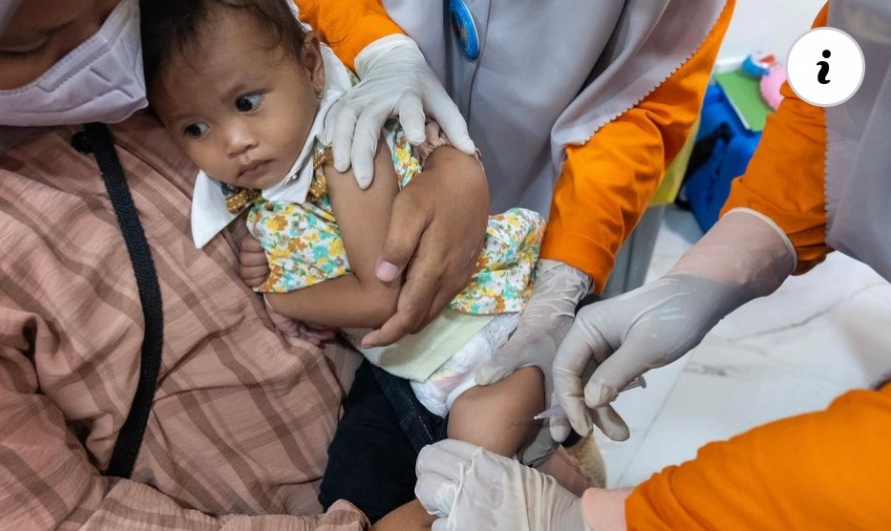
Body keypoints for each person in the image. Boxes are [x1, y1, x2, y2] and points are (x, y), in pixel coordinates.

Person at [0, 0, 521, 528]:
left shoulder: (207, 49)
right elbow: (62, 517)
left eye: (111, 6)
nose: (101, 52)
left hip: (407, 384)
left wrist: (447, 161)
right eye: (28, 45)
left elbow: (300, 42)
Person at [415, 2, 891, 529]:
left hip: (550, 208)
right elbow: (844, 85)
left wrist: (616, 518)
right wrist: (741, 249)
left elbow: (644, 99)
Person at [140, 1, 548, 526]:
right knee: (349, 486)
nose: (234, 142)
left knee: (478, 438)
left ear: (311, 66)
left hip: (480, 333)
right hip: (404, 368)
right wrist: (280, 261)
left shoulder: (344, 146)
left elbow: (381, 296)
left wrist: (279, 293)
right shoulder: (266, 189)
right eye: (195, 128)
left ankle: (453, 507)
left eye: (246, 101)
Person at [301, 0, 736, 459]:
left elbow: (647, 94)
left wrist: (570, 263)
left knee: (521, 442)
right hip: (366, 111)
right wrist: (375, 44)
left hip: (539, 217)